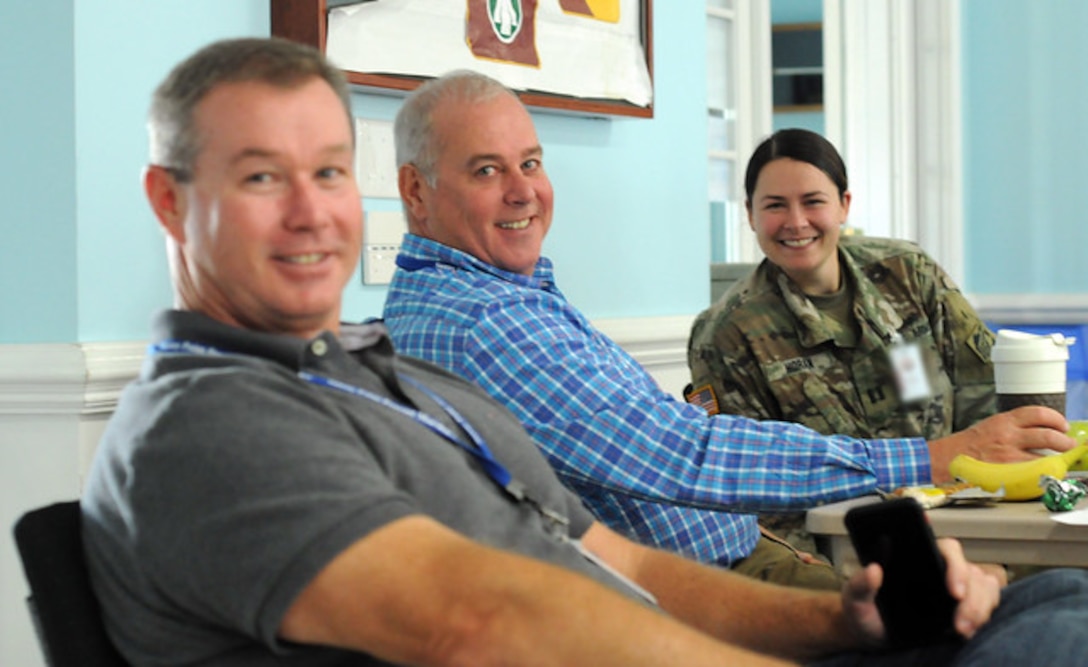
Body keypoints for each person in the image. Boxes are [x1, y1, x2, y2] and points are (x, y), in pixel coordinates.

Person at [77, 36, 1088, 667]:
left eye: (329, 171)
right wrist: (928, 463)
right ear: (170, 200)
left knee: (1055, 598)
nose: (310, 210)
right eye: (261, 177)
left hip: (723, 602)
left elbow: (609, 556)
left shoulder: (383, 371)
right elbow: (477, 621)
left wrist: (842, 627)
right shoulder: (215, 422)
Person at [380, 70, 1073, 586]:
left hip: (939, 509)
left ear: (846, 205)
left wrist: (981, 473)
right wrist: (930, 460)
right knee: (1048, 604)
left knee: (1047, 587)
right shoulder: (491, 323)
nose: (522, 189)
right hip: (742, 563)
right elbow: (689, 457)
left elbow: (980, 383)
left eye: (530, 163)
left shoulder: (905, 272)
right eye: (486, 170)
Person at [686, 128, 998, 552]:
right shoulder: (726, 335)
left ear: (843, 205)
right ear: (750, 214)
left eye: (813, 201)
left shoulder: (908, 273)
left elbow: (982, 394)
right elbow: (754, 484)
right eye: (775, 206)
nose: (796, 222)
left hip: (973, 520)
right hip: (843, 550)